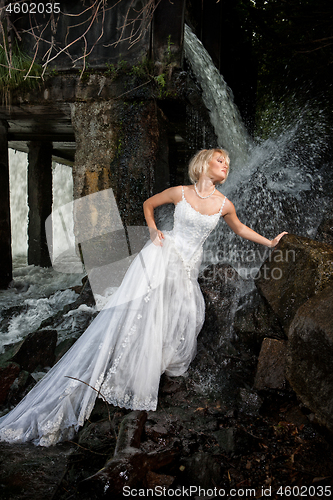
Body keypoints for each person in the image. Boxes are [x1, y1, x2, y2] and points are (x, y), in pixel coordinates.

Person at [0, 148, 287, 447]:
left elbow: (239, 228)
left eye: (228, 162)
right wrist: (152, 231)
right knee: (145, 314)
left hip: (187, 268)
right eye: (220, 160)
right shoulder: (180, 192)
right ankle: (130, 371)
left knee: (180, 317)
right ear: (203, 165)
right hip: (162, 256)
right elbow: (148, 204)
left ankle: (151, 368)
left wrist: (269, 242)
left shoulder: (225, 204)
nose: (226, 165)